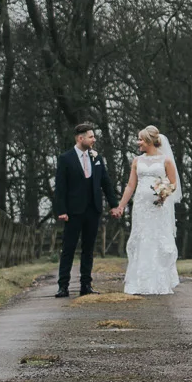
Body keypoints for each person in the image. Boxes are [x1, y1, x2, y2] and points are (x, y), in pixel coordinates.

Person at [115, 125, 181, 295]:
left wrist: (164, 194)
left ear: (150, 141)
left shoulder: (165, 160)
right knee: (142, 238)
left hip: (159, 207)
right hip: (141, 207)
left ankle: (159, 281)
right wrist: (121, 205)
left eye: (141, 139)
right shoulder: (137, 160)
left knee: (157, 239)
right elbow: (131, 185)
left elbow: (173, 184)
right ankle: (140, 281)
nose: (138, 142)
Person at [53, 121, 114, 297]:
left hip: (93, 210)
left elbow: (106, 183)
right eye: (91, 136)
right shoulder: (65, 158)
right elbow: (60, 187)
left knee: (89, 249)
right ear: (81, 138)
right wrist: (61, 210)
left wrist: (114, 205)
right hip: (72, 212)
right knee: (69, 248)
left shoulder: (97, 158)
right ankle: (63, 286)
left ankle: (85, 286)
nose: (94, 139)